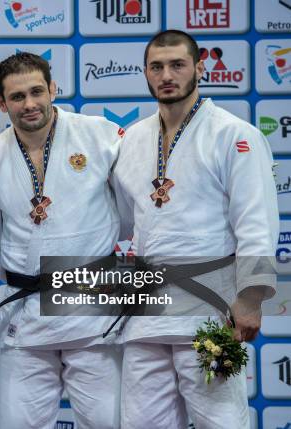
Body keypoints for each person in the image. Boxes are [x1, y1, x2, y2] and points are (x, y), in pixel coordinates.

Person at [112, 30, 278, 429]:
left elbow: (256, 221)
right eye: (157, 67)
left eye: (177, 65)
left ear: (199, 68)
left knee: (221, 422)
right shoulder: (132, 139)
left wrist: (251, 298)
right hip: (147, 313)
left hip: (211, 310)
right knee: (141, 424)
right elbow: (125, 221)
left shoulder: (235, 135)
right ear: (146, 74)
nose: (167, 75)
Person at [0, 52, 124, 429]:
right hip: (26, 312)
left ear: (53, 89)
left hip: (92, 310)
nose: (29, 104)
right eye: (17, 97)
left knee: (108, 422)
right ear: (1, 102)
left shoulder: (99, 134)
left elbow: (132, 204)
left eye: (36, 92)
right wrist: (18, 273)